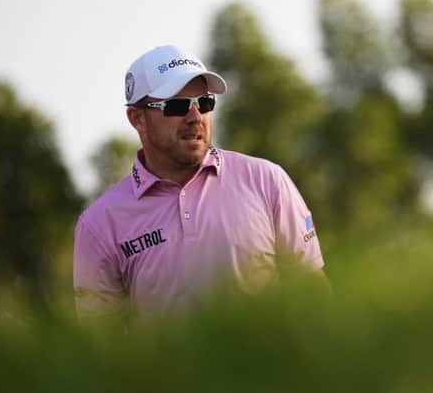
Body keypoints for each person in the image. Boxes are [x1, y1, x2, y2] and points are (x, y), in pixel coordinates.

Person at [73, 45, 327, 322]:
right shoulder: (99, 223)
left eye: (205, 103)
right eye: (177, 105)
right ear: (137, 119)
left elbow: (313, 294)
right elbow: (100, 343)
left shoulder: (266, 180)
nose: (195, 116)